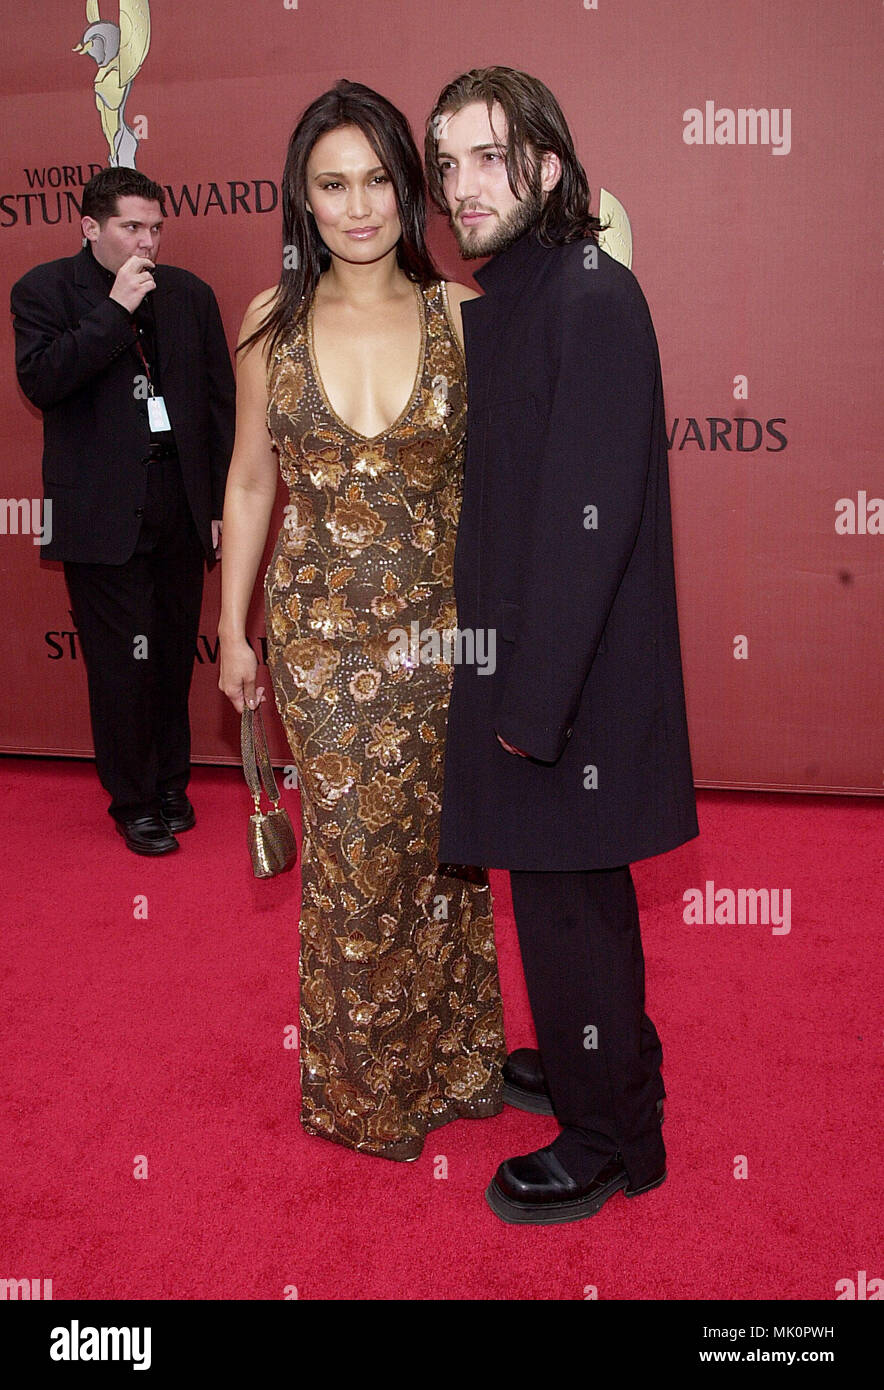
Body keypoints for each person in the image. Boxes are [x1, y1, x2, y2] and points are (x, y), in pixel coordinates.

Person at [425, 67, 699, 1222]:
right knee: (562, 897)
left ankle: (611, 1139)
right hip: (533, 669)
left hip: (563, 687)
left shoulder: (588, 294)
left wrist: (528, 708)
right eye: (444, 165)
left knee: (566, 904)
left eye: (486, 159)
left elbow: (589, 526)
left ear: (544, 166)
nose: (458, 188)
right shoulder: (521, 292)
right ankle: (604, 1063)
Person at [218, 80, 506, 1162]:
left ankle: (463, 1058)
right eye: (332, 183)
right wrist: (233, 630)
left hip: (444, 638)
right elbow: (251, 483)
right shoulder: (267, 321)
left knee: (444, 857)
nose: (357, 205)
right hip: (320, 642)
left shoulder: (466, 317)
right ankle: (364, 1088)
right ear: (300, 195)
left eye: (378, 179)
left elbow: (504, 491)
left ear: (409, 187)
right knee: (350, 858)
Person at [11, 166, 235, 855]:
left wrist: (223, 503)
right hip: (102, 513)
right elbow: (43, 381)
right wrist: (113, 311)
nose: (148, 243)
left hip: (178, 503)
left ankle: (171, 783)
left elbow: (220, 405)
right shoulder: (45, 291)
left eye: (155, 228)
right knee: (119, 667)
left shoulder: (190, 296)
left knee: (169, 656)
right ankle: (134, 800)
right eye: (131, 227)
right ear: (90, 227)